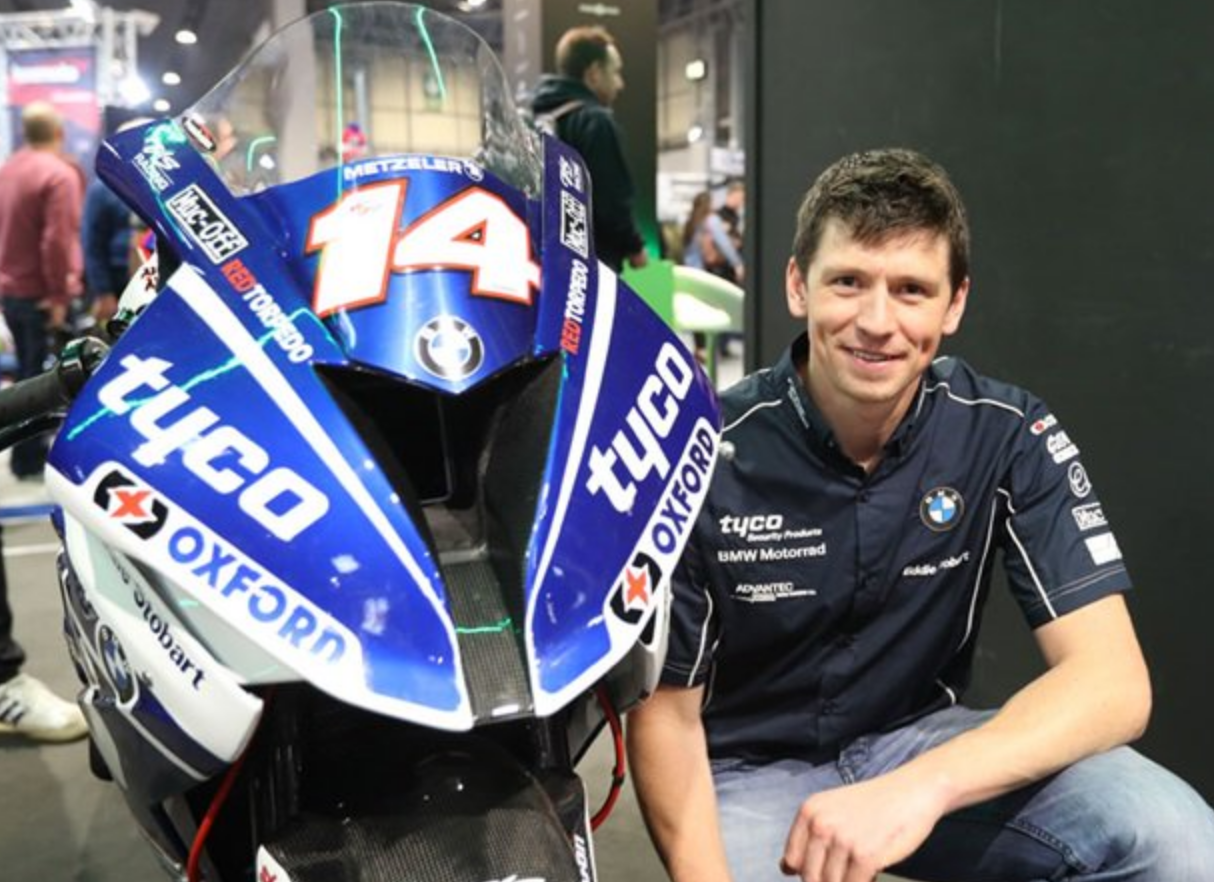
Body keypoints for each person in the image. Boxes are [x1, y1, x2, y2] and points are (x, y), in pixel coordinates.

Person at [627, 148, 1214, 882]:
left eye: (911, 290)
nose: (878, 322)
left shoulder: (1006, 433)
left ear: (954, 304)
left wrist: (922, 787)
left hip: (921, 745)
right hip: (748, 773)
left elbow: (1113, 681)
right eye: (848, 282)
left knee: (1179, 840)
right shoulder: (703, 452)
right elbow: (666, 716)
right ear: (798, 285)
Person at [0, 101, 84, 478]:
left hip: (11, 289)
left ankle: (24, 457)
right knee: (43, 385)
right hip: (40, 296)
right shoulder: (59, 175)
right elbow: (57, 242)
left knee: (24, 377)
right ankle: (30, 459)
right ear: (59, 133)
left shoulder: (8, 169)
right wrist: (59, 298)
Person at [530, 25, 648, 272]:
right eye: (615, 72)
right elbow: (611, 200)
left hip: (538, 259)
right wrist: (634, 247)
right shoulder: (595, 122)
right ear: (594, 73)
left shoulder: (533, 119)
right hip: (591, 264)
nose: (620, 84)